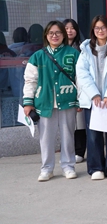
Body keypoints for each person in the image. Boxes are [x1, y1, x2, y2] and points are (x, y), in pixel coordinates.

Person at [23, 21, 80, 181]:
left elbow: (80, 79)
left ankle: (68, 166)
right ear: (46, 36)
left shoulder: (73, 54)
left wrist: (80, 100)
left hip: (68, 100)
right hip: (44, 102)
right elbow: (30, 81)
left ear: (63, 35)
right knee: (46, 138)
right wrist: (28, 102)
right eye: (51, 33)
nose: (54, 36)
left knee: (68, 136)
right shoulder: (37, 56)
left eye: (58, 33)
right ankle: (47, 168)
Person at [76, 15, 107, 180]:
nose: (100, 31)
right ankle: (96, 167)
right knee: (93, 135)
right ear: (93, 30)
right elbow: (82, 74)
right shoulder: (85, 49)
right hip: (93, 100)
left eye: (103, 27)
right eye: (97, 28)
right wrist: (94, 94)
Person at [64, 18, 87, 163]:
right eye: (66, 28)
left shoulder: (82, 47)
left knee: (80, 123)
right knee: (66, 124)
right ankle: (68, 151)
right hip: (63, 91)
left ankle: (79, 151)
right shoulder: (57, 49)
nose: (69, 31)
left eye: (72, 28)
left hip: (79, 88)